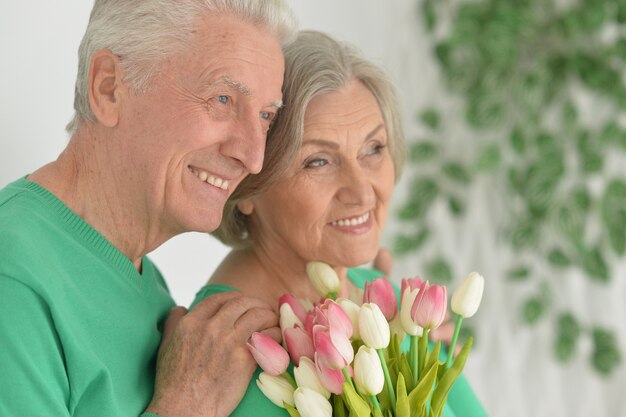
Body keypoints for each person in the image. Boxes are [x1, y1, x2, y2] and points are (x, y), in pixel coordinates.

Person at [0, 1, 298, 416]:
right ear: (109, 88)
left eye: (266, 116)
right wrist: (187, 405)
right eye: (223, 99)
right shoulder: (13, 278)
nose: (253, 157)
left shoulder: (145, 281)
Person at [192, 31, 487, 416]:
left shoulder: (388, 308)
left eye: (374, 149)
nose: (362, 194)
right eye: (318, 161)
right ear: (246, 184)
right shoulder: (215, 354)